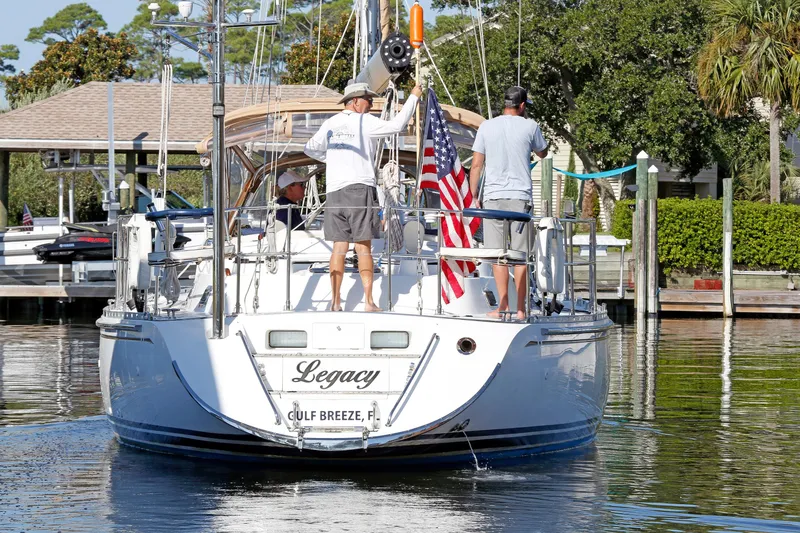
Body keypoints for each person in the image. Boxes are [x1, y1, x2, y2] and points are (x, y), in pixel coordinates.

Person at [304, 81, 423, 312]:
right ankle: (369, 302)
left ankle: (336, 302)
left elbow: (309, 149)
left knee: (339, 247)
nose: (371, 104)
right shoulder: (365, 121)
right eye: (368, 100)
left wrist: (334, 159)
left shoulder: (331, 123)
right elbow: (398, 125)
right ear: (355, 101)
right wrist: (414, 96)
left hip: (334, 192)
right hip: (360, 189)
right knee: (363, 247)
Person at [469, 86, 549, 320]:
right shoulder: (530, 126)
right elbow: (542, 152)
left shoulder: (486, 126)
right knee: (520, 255)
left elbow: (476, 165)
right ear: (522, 105)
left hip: (492, 197)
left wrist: (474, 195)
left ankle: (502, 306)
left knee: (496, 255)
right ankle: (522, 309)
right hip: (519, 198)